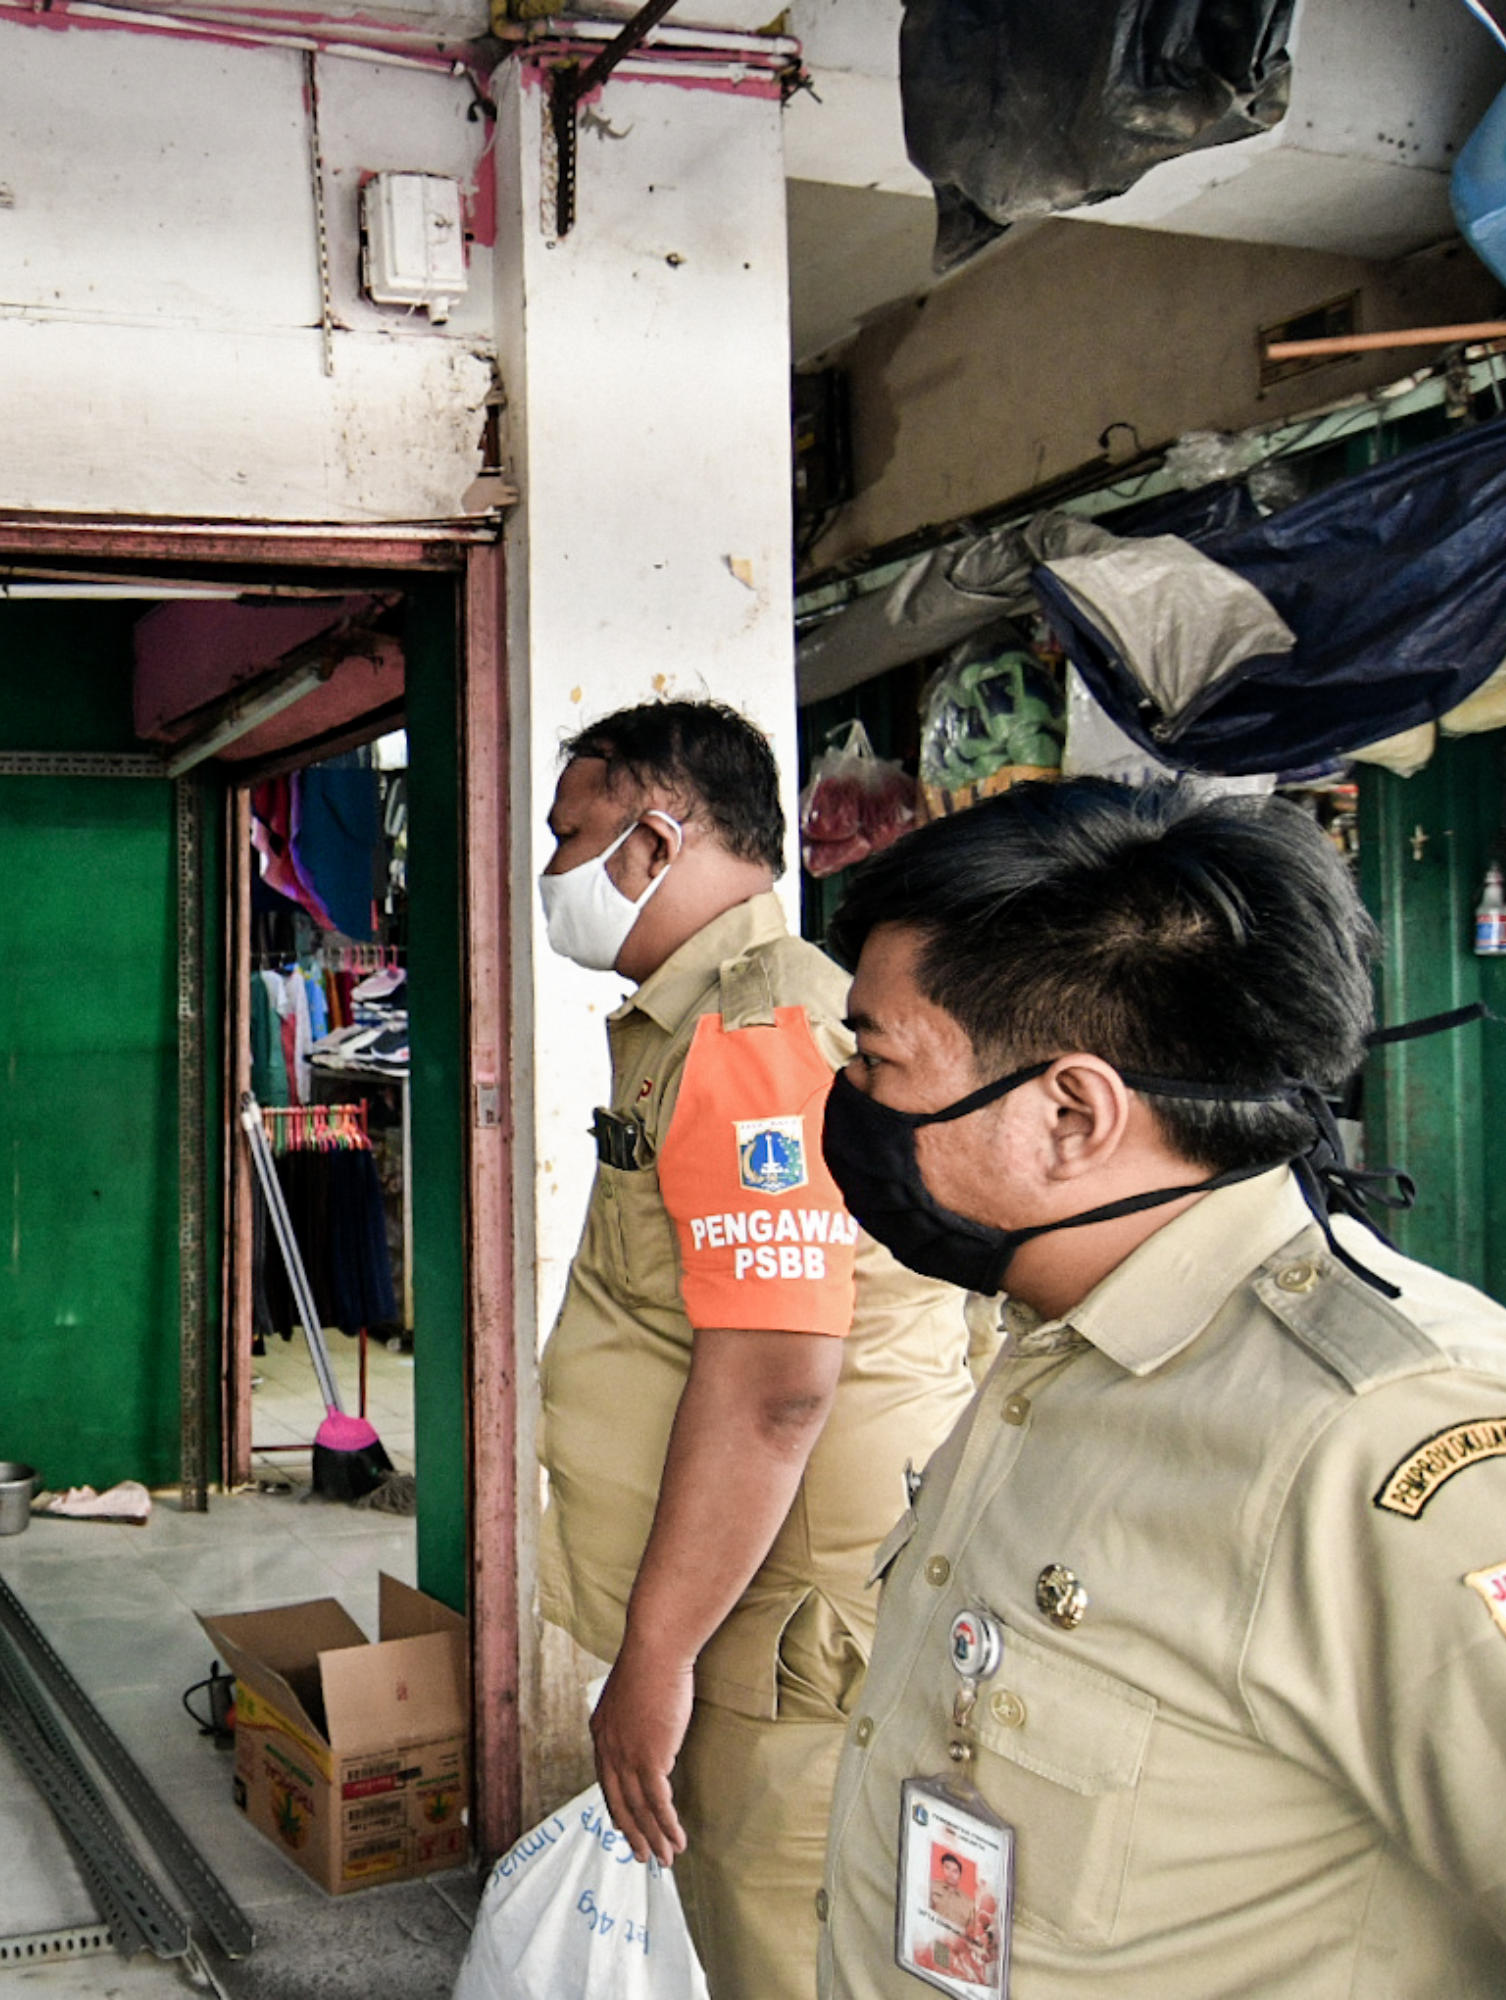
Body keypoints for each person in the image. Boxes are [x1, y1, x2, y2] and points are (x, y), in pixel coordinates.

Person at [816, 781, 1506, 1995]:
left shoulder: (1390, 1452)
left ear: (1070, 1113)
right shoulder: (1058, 1337)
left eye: (877, 1058)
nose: (850, 1099)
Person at [532, 700, 974, 2000]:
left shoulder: (752, 1035)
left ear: (654, 835)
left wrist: (654, 1658)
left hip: (776, 1632)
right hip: (752, 1605)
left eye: (570, 835)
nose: (553, 871)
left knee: (781, 1948)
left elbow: (776, 1382)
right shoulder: (699, 1020)